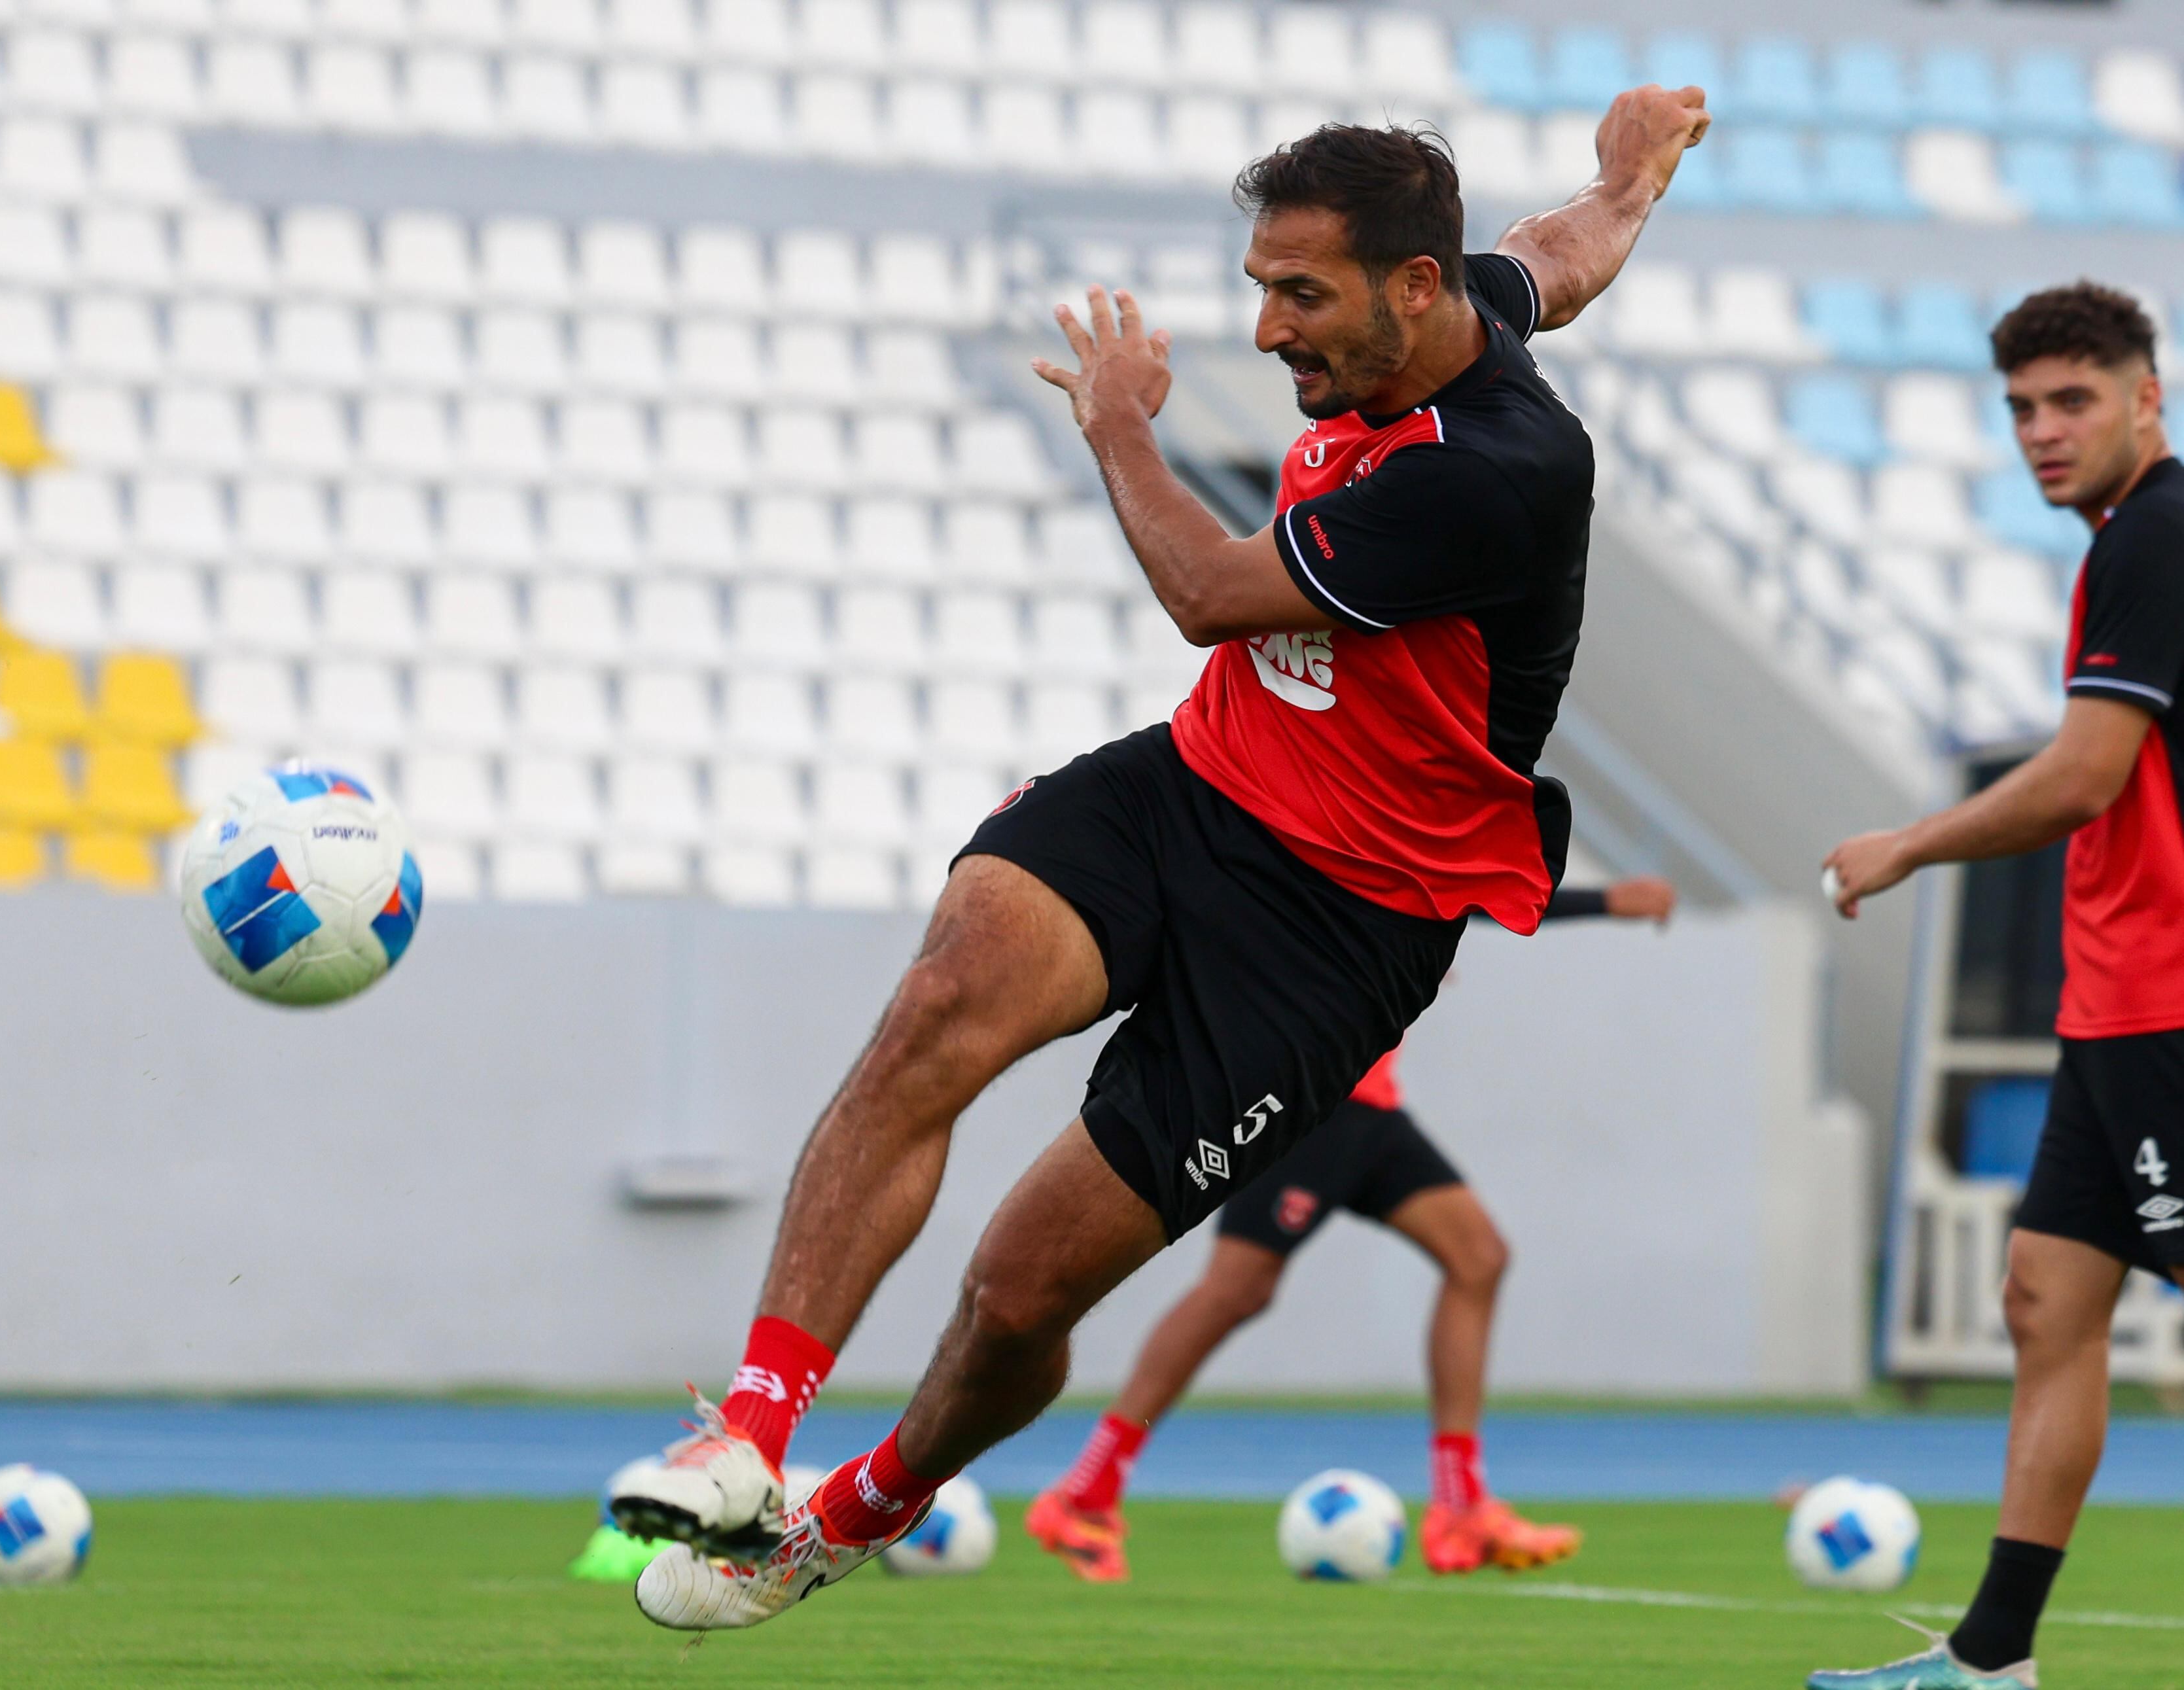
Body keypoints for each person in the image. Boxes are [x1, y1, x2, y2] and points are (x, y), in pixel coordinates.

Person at [614, 84, 1712, 1632]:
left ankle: (853, 1511)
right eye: (1261, 287)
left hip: (1341, 928)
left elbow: (1206, 592)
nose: (1266, 332)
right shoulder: (1460, 304)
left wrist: (1119, 424)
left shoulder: (1493, 469)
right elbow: (1562, 253)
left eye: (1299, 295)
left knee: (1018, 1294)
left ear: (1411, 289)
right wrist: (1630, 174)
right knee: (941, 1003)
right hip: (1191, 790)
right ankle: (745, 1434)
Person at [1812, 283, 2181, 1690]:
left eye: (2070, 400)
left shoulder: (2154, 532)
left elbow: (2082, 775)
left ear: (2144, 397)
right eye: (2020, 407)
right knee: (2043, 1297)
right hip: (2114, 1002)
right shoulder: (2126, 537)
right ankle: (1989, 1660)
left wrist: (1908, 843)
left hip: (2167, 1001)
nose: (2039, 430)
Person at [1028, 878, 1677, 1583]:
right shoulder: (1324, 849)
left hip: (1368, 1107)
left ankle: (1461, 1506)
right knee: (1233, 1291)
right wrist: (1605, 903)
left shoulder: (1393, 857)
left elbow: (1462, 892)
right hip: (1310, 1101)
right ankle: (1084, 1493)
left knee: (1478, 1257)